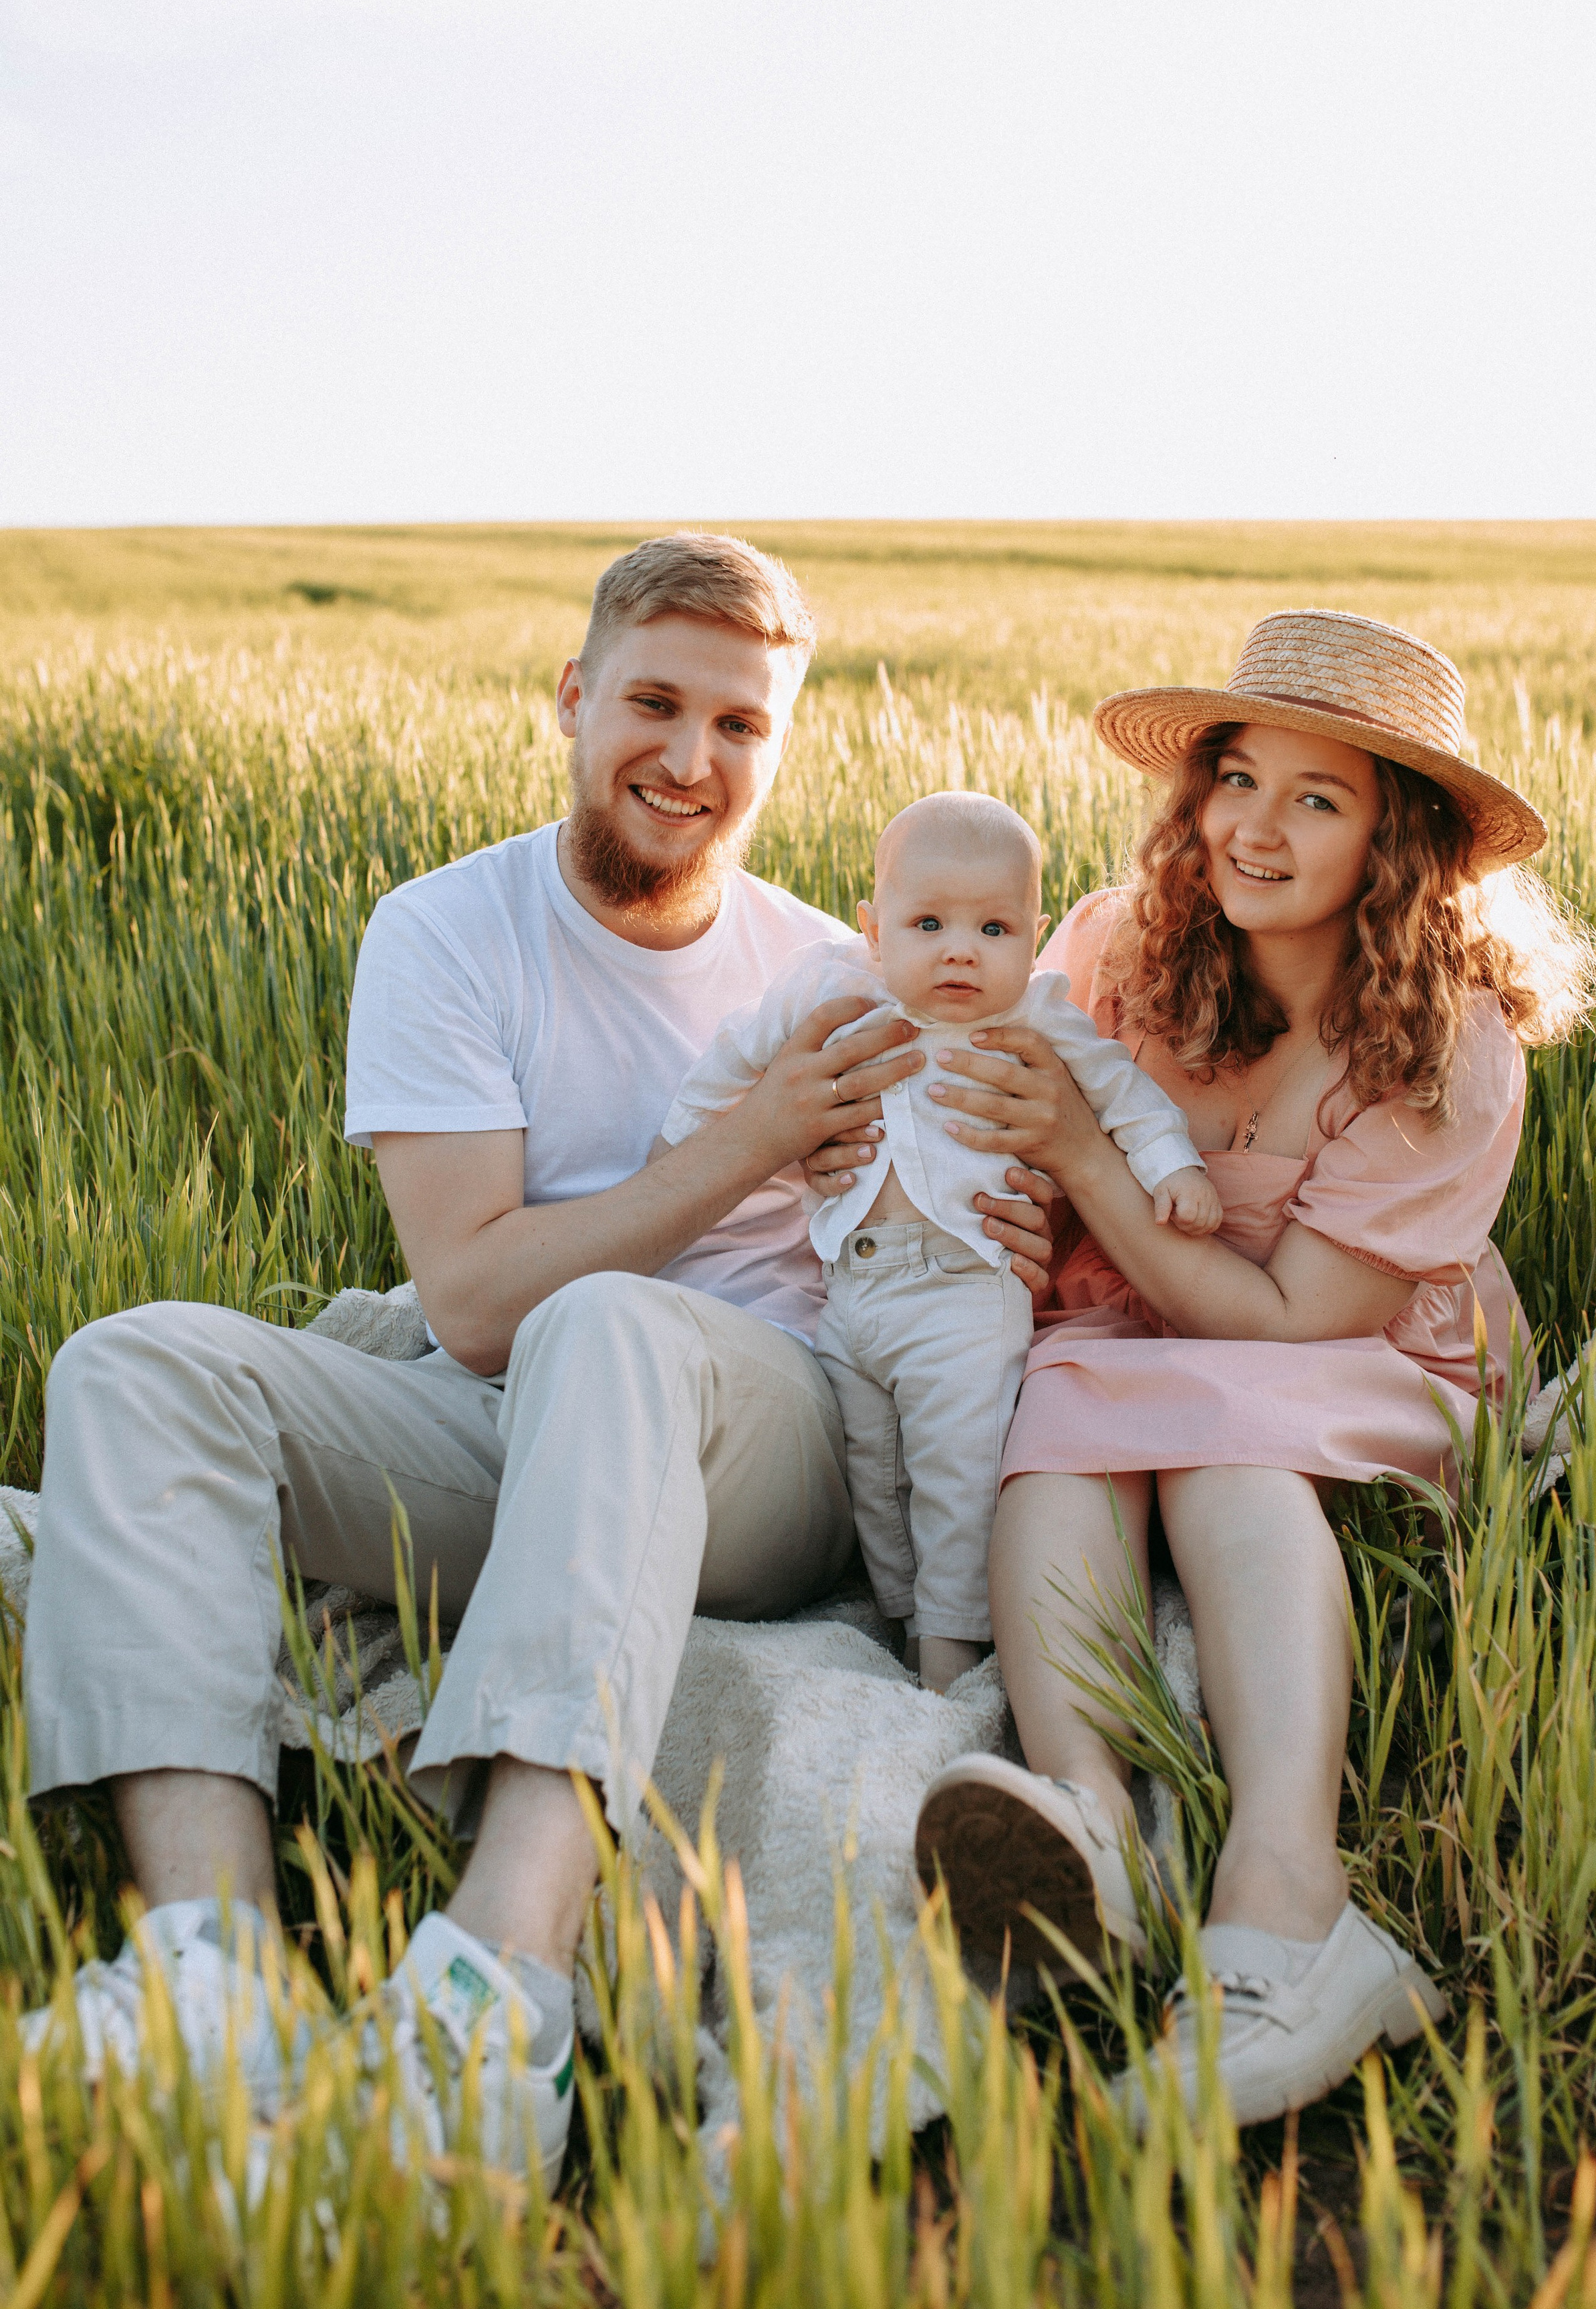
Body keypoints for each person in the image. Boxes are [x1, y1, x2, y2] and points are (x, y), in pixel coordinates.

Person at [19, 530, 1055, 2183]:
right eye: (655, 703)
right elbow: (472, 1305)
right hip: (516, 1413)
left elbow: (1017, 1153)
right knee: (134, 1364)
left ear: (778, 745)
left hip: (760, 1447)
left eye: (740, 725)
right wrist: (747, 1142)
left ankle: (500, 1991)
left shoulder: (835, 969)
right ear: (574, 696)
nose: (691, 757)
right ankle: (207, 1971)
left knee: (609, 1321)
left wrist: (1025, 1228)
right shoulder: (444, 931)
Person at [897, 610, 1596, 2126]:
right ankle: (1090, 1826)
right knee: (1059, 1412)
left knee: (1226, 1443)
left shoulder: (1448, 1039)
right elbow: (1026, 1172)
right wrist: (1014, 1214)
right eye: (1236, 780)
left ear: (1397, 843)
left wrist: (1085, 1161)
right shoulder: (1117, 949)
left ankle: (1291, 1902)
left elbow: (1286, 1319)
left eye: (1315, 799)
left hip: (1351, 1352)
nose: (1253, 830)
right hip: (1137, 1325)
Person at [660, 789, 1218, 1698]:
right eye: (929, 924)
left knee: (957, 1479)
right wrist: (685, 1140)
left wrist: (1172, 1169)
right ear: (873, 928)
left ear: (1035, 938)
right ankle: (899, 1619)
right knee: (873, 1474)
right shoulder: (830, 990)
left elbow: (1122, 1093)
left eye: (994, 929)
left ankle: (951, 1657)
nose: (961, 950)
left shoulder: (1034, 1017)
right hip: (852, 1293)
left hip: (965, 1291)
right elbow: (737, 1055)